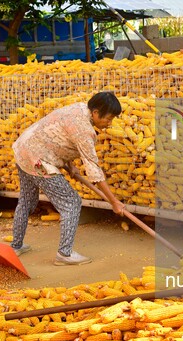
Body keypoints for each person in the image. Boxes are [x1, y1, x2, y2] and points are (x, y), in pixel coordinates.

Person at [11, 91, 125, 265]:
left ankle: (15, 246)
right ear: (95, 112)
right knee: (71, 203)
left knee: (26, 200)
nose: (110, 123)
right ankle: (65, 254)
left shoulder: (79, 108)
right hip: (38, 161)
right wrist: (114, 201)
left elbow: (60, 136)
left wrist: (70, 165)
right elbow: (94, 170)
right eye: (108, 119)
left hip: (23, 149)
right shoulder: (85, 131)